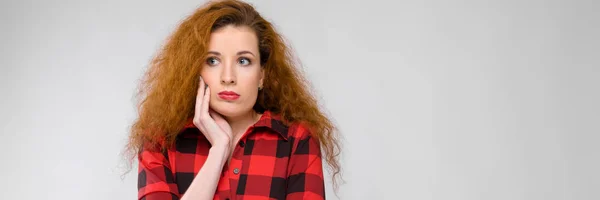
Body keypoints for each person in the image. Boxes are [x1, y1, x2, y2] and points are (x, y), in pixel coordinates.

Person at [125, 0, 342, 199]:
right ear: (192, 69)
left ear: (262, 75)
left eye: (244, 61)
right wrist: (218, 150)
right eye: (212, 60)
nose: (228, 77)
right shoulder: (160, 140)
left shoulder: (296, 140)